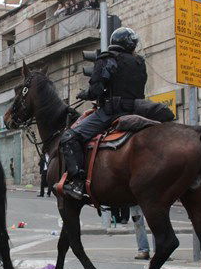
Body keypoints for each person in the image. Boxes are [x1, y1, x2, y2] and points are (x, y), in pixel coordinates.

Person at [60, 26, 147, 200]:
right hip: (138, 109)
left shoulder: (107, 59)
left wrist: (85, 94)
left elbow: (96, 90)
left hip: (112, 112)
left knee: (69, 138)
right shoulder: (139, 62)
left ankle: (77, 182)